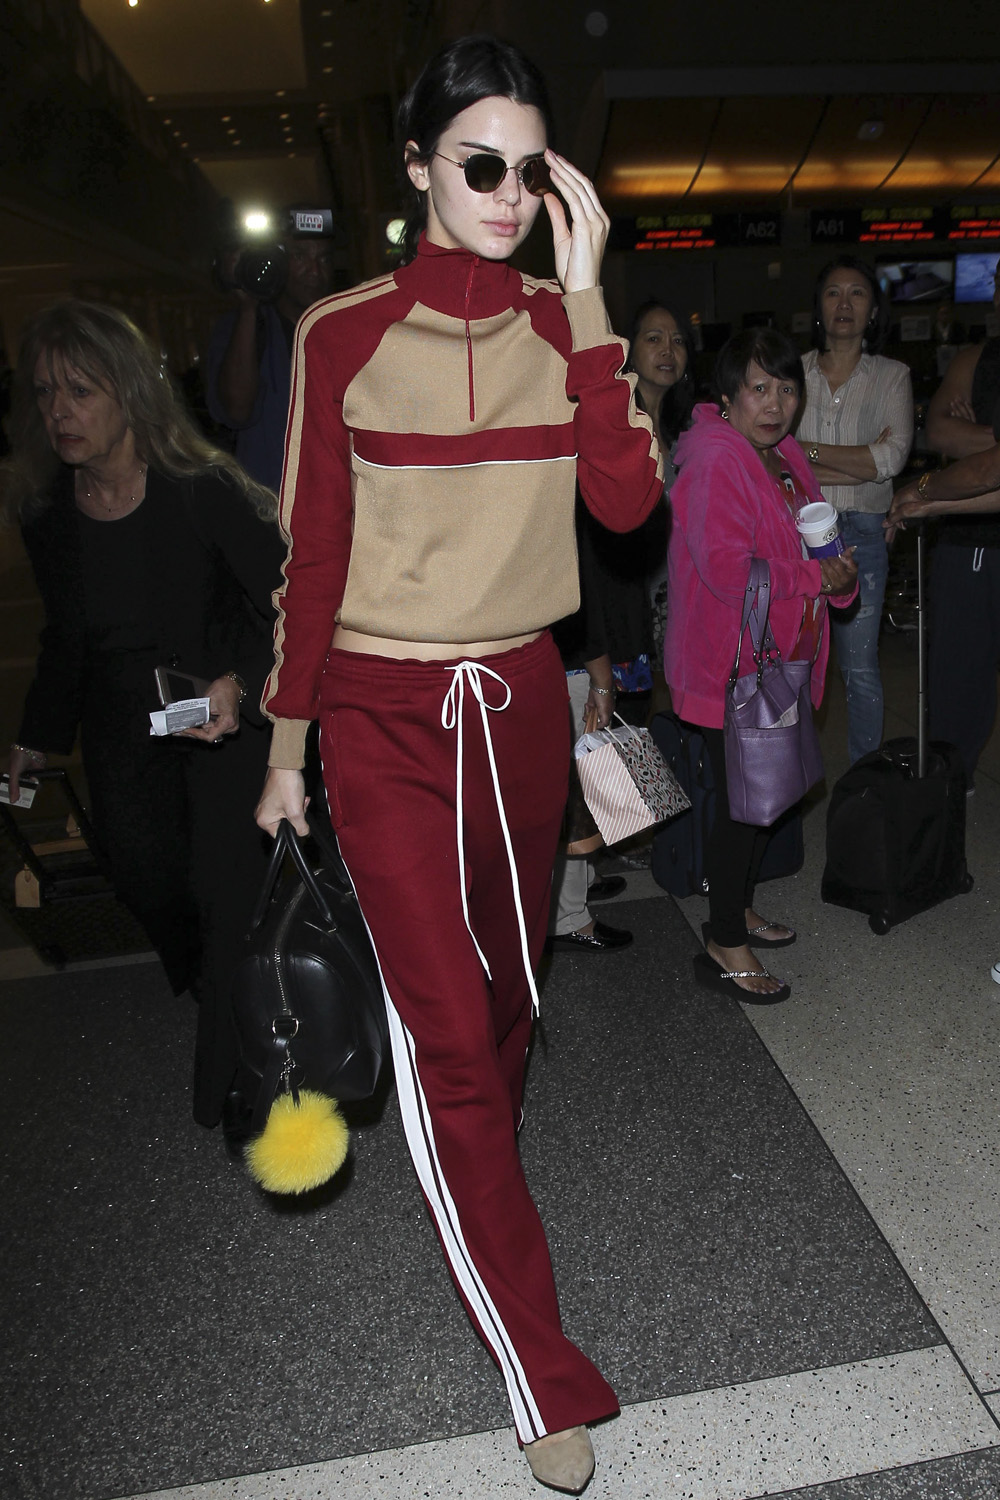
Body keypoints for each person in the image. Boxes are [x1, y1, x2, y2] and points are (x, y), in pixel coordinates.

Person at [252, 35, 662, 1496]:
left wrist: (596, 287)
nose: (503, 191)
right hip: (378, 718)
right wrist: (287, 747)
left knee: (508, 1014)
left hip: (524, 710)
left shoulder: (569, 327)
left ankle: (475, 1178)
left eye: (528, 166)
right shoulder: (344, 335)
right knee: (447, 1048)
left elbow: (626, 506)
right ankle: (537, 1367)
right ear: (421, 168)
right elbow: (315, 553)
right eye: (475, 163)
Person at [2, 301, 286, 1129]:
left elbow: (290, 602)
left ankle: (239, 1083)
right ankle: (227, 998)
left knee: (223, 899)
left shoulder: (202, 493)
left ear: (129, 392)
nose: (59, 412)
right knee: (157, 893)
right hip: (125, 734)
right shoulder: (48, 511)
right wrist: (36, 737)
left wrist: (240, 679)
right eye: (47, 394)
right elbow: (65, 639)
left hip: (223, 726)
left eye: (80, 392)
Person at [664, 327, 857, 1002]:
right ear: (727, 395)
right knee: (744, 808)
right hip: (729, 665)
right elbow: (723, 570)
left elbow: (813, 541)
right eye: (758, 388)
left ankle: (736, 909)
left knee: (757, 799)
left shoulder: (780, 455)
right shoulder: (717, 460)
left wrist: (836, 575)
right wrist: (812, 577)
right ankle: (723, 939)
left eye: (786, 387)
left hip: (771, 660)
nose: (775, 402)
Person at [795, 256, 913, 764]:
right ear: (819, 308)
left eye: (857, 293)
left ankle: (865, 780)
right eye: (833, 293)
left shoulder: (893, 377)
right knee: (792, 662)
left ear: (873, 310)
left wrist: (810, 455)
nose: (844, 303)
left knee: (858, 669)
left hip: (864, 534)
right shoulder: (791, 374)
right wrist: (858, 464)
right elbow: (777, 458)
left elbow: (891, 460)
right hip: (795, 534)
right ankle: (787, 770)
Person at [921, 259, 1000, 785]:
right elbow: (939, 434)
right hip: (975, 541)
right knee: (958, 679)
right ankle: (951, 783)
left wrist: (981, 433)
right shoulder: (977, 358)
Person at [205, 213, 334, 492]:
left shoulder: (343, 329)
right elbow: (237, 411)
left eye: (323, 259)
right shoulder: (246, 329)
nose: (314, 271)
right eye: (299, 256)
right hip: (268, 507)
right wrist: (249, 306)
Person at [626, 299, 697, 662]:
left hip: (687, 601)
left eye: (678, 341)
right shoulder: (614, 429)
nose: (668, 350)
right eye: (654, 339)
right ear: (629, 351)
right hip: (631, 606)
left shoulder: (692, 432)